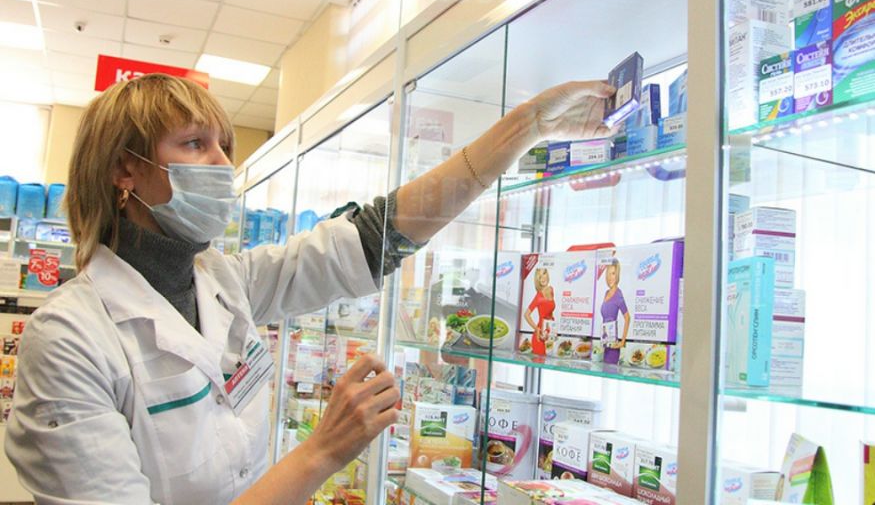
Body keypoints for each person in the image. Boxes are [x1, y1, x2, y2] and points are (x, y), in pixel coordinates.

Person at [4, 73, 615, 504]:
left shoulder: (225, 281)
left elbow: (378, 235)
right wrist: (323, 450)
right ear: (124, 169)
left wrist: (526, 127)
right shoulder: (69, 339)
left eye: (224, 147)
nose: (222, 164)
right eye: (194, 143)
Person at [599, 257, 630, 365]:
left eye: (613, 273)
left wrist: (622, 342)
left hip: (613, 345)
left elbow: (627, 317)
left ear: (617, 275)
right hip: (605, 343)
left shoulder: (618, 295)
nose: (610, 277)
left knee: (610, 370)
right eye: (608, 274)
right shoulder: (606, 293)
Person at [522, 267, 555, 356]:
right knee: (539, 361)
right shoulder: (539, 297)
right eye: (539, 277)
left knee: (550, 361)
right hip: (540, 336)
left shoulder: (551, 289)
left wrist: (552, 327)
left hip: (549, 331)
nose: (543, 278)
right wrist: (537, 329)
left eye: (544, 274)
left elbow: (550, 311)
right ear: (538, 280)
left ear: (547, 275)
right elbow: (526, 314)